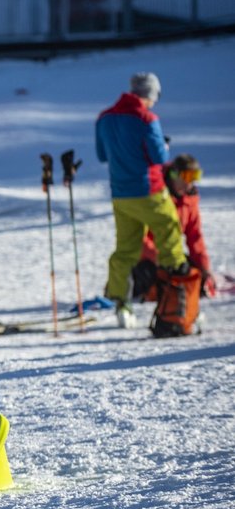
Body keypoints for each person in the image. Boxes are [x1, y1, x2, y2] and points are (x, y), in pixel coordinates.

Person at [95, 72, 187, 328]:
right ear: (150, 94)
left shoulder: (104, 118)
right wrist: (164, 147)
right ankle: (174, 299)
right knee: (170, 234)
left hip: (120, 195)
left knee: (126, 249)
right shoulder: (147, 119)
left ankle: (122, 305)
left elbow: (103, 155)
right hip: (149, 191)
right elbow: (158, 157)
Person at [132, 153, 217, 300]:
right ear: (173, 175)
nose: (188, 183)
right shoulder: (156, 197)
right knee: (152, 281)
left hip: (171, 255)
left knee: (194, 278)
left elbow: (194, 236)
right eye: (185, 177)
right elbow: (139, 235)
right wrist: (156, 256)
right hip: (147, 258)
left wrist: (204, 267)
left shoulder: (189, 202)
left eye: (194, 177)